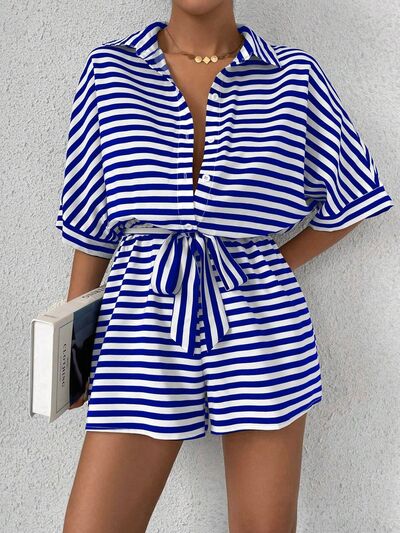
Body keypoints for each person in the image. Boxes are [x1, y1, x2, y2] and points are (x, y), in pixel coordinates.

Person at [57, 1, 394, 532]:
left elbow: (353, 195)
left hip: (262, 324)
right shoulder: (110, 71)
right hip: (139, 323)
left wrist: (270, 264)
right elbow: (89, 221)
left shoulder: (294, 77)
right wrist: (72, 351)